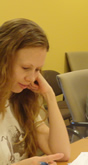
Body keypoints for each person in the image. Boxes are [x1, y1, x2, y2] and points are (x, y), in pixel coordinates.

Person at [0, 18, 70, 165]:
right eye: (26, 68)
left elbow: (61, 153)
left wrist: (49, 95)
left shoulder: (20, 98)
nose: (31, 78)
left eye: (37, 69)